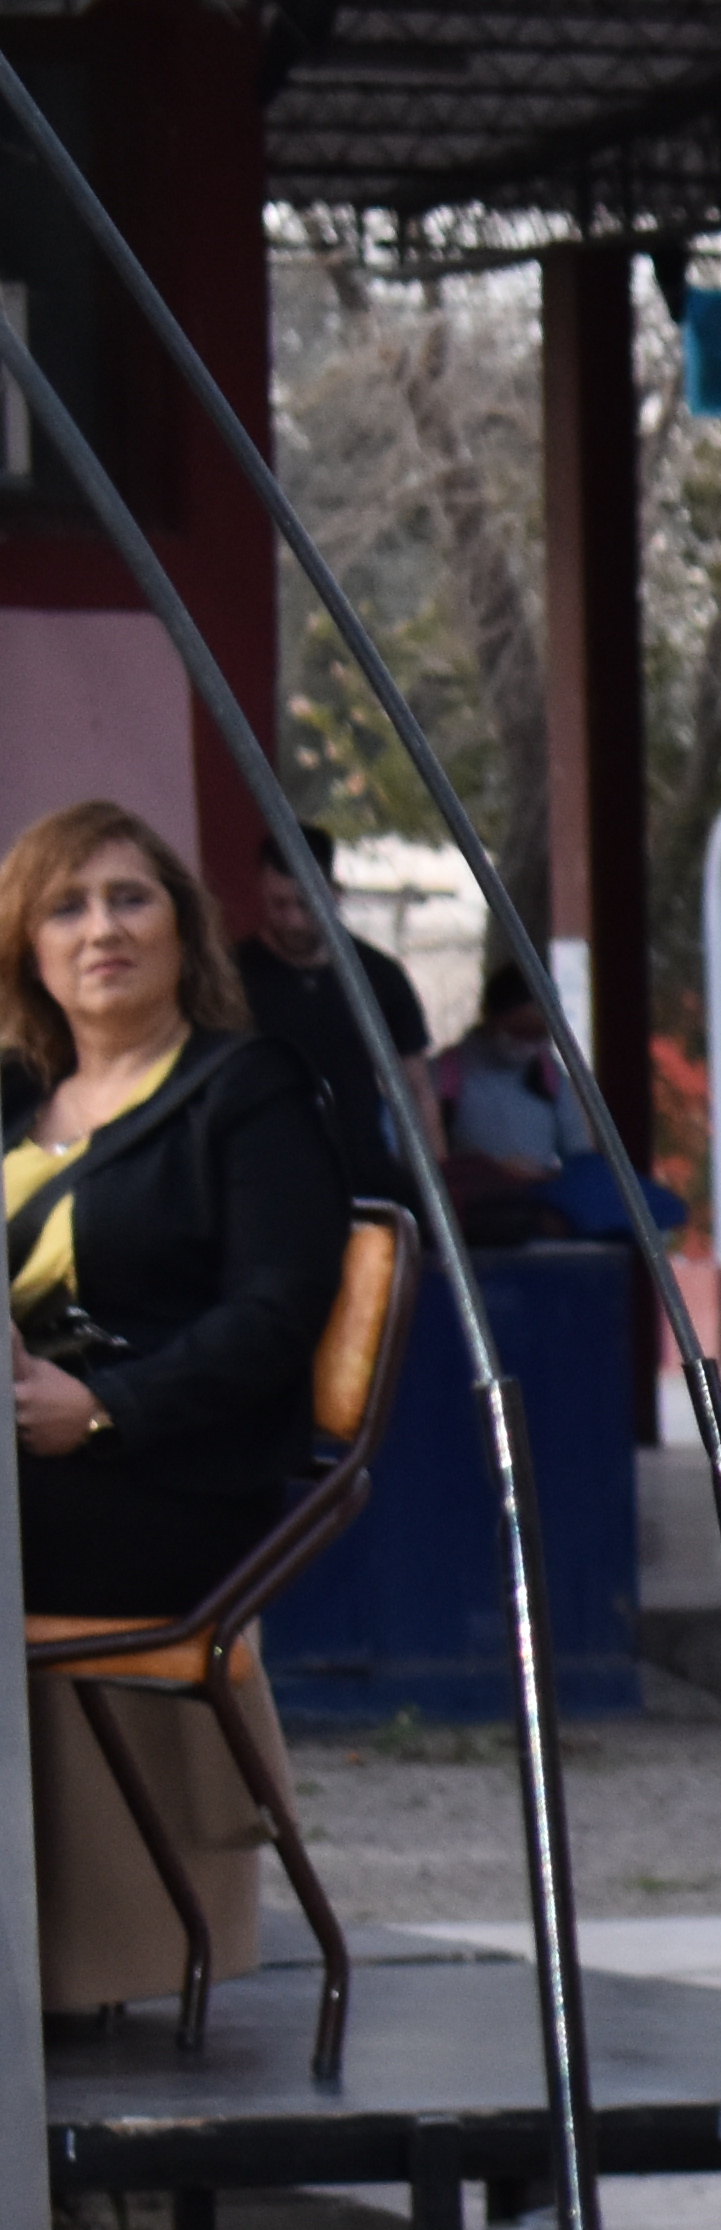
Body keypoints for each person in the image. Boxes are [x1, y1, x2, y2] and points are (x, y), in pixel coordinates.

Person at [6, 800, 346, 2017]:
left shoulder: (243, 1090)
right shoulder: (13, 1103)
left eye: (129, 897)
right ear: (29, 951)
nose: (101, 927)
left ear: (182, 928)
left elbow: (277, 1310)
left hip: (168, 1483)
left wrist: (101, 1407)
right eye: (67, 905)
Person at [232, 843, 429, 1187]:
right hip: (265, 1177)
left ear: (335, 895)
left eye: (306, 904)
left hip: (364, 1172)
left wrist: (434, 1179)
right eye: (279, 905)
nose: (293, 920)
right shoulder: (232, 976)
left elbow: (416, 1088)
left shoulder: (379, 975)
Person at [431, 973, 678, 1248]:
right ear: (491, 1018)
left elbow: (579, 1155)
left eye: (540, 1034)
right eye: (520, 1030)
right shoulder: (445, 1076)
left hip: (540, 1203)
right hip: (477, 1208)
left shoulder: (549, 1076)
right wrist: (494, 1170)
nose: (529, 1044)